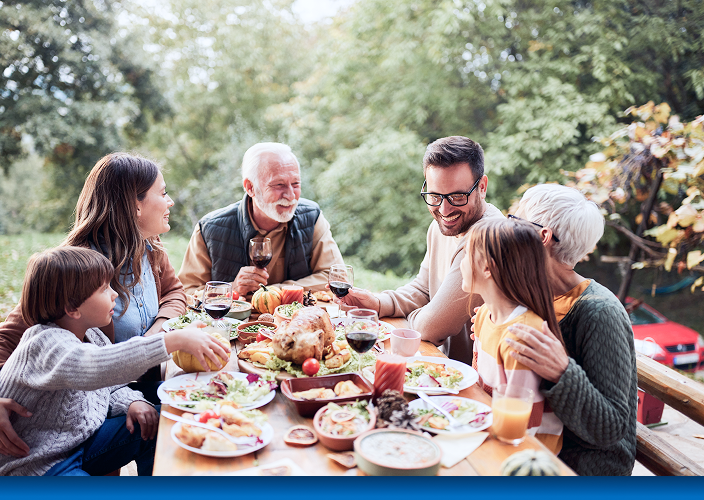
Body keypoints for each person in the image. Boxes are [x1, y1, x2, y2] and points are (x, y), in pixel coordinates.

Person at [0, 152, 223, 457]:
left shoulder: (149, 249)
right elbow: (11, 340)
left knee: (197, 403)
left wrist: (155, 336)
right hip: (74, 414)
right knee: (181, 415)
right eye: (164, 192)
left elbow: (175, 293)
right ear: (135, 204)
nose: (170, 202)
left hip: (124, 390)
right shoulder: (76, 270)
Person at [0, 247, 230, 475]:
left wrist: (131, 402)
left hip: (79, 444)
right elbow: (98, 367)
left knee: (160, 420)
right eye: (104, 289)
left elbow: (110, 384)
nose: (114, 294)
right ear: (72, 308)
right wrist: (172, 341)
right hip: (39, 464)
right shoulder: (44, 343)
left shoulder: (92, 333)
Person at [501, 184, 637, 475]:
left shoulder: (600, 312)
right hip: (531, 446)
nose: (507, 229)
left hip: (577, 469)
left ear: (542, 236)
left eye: (515, 221)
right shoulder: (533, 294)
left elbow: (612, 427)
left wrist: (562, 371)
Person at [336, 136, 503, 364]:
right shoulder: (442, 227)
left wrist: (409, 319)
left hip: (472, 384)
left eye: (457, 196)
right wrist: (378, 303)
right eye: (434, 196)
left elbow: (431, 327)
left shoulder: (488, 238)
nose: (444, 209)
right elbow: (424, 288)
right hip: (440, 368)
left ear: (482, 187)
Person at [178, 142, 344, 297]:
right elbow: (186, 291)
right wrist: (232, 288)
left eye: (295, 184)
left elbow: (336, 277)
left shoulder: (312, 217)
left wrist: (275, 292)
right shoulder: (209, 228)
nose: (291, 195)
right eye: (279, 185)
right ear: (250, 187)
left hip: (296, 324)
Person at [462, 218, 563, 453]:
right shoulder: (484, 315)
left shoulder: (521, 337)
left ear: (488, 267)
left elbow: (523, 429)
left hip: (525, 453)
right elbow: (478, 387)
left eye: (466, 256)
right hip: (489, 426)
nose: (461, 265)